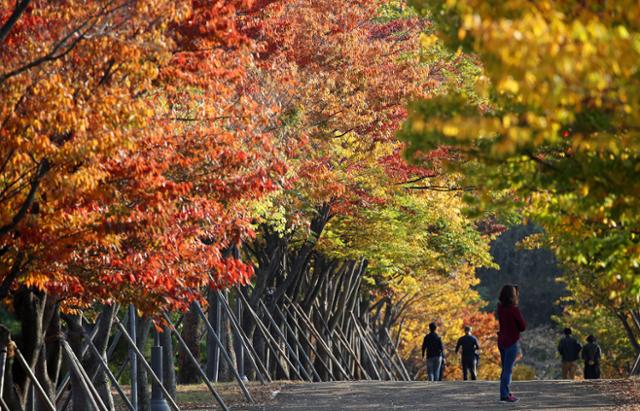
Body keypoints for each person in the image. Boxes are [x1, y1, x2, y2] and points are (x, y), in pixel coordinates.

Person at [497, 284, 526, 403]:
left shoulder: (500, 308)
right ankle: (505, 395)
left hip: (501, 341)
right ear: (512, 296)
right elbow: (522, 326)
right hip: (511, 342)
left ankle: (505, 392)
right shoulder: (514, 310)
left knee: (505, 368)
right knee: (508, 370)